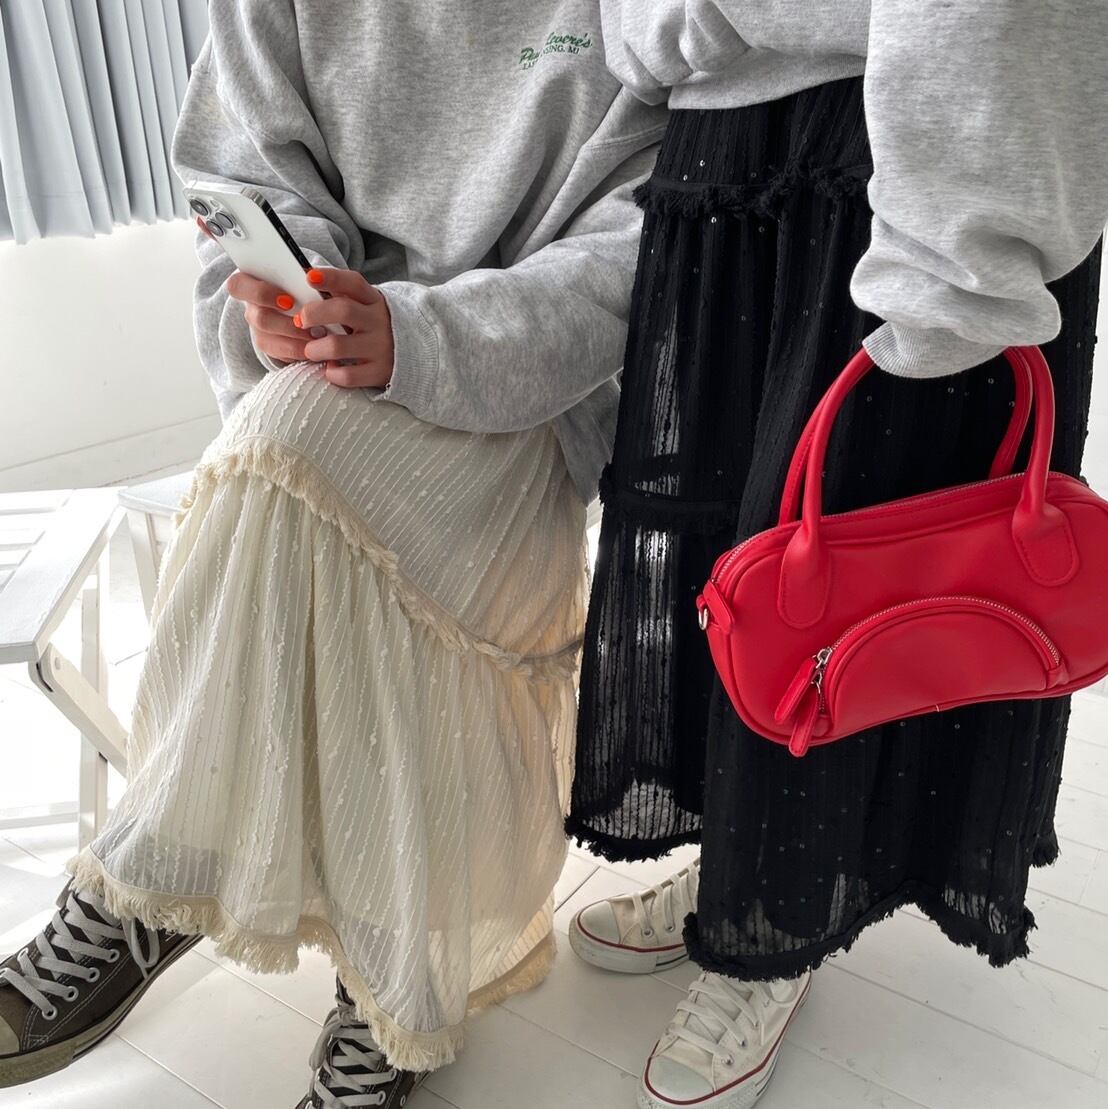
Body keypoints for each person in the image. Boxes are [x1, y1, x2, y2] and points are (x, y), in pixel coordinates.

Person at [0, 3, 666, 1105]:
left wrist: (420, 337)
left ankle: (148, 879)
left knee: (281, 459)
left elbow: (633, 253)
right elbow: (243, 180)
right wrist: (284, 298)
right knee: (289, 455)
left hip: (525, 395)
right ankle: (396, 977)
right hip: (323, 376)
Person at [565, 3, 1108, 1108]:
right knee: (732, 572)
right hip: (718, 144)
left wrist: (960, 249)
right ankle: (738, 864)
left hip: (913, 140)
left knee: (840, 594)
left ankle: (776, 916)